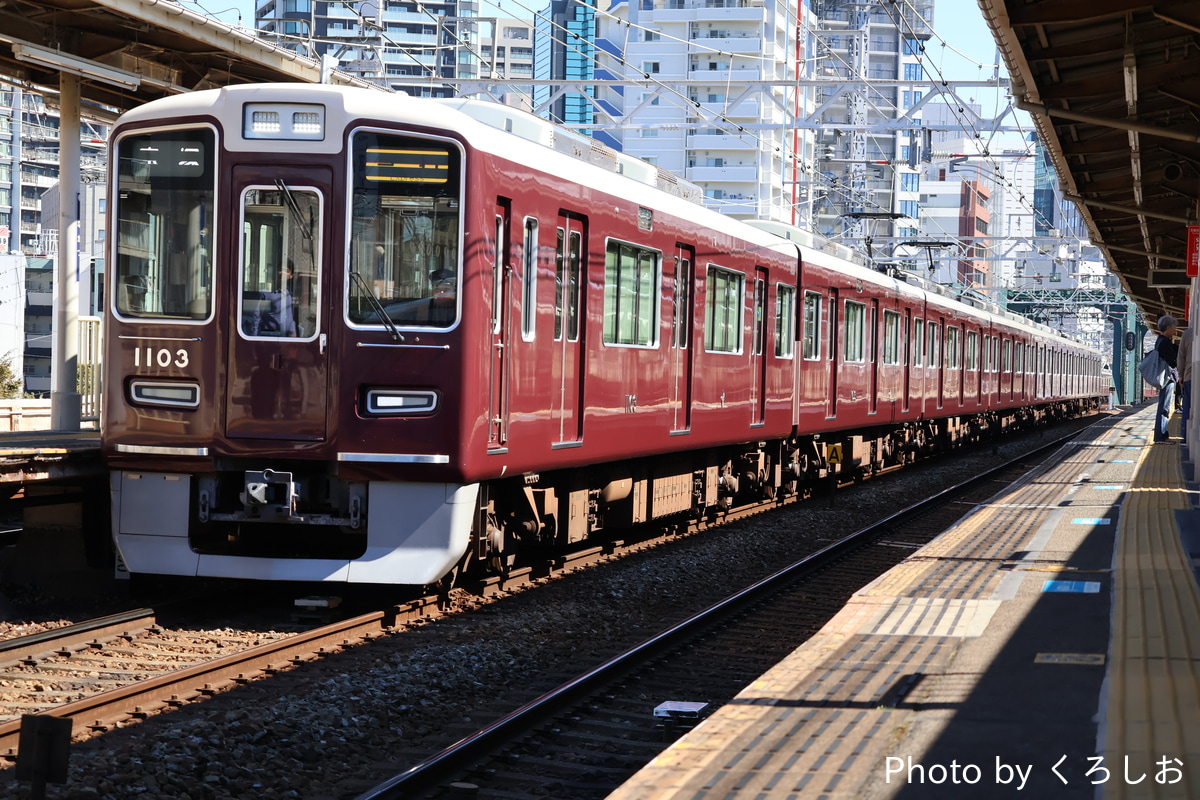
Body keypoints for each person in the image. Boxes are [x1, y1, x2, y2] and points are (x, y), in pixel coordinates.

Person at [1154, 315, 1180, 442]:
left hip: (1166, 377)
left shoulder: (1161, 341)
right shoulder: (1164, 342)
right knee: (1164, 407)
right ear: (1168, 327)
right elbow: (1173, 360)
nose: (1175, 330)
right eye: (1174, 327)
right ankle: (1161, 436)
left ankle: (1161, 435)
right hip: (1167, 377)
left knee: (1164, 406)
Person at [1180, 325, 1194, 442]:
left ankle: (1185, 435)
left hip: (1189, 374)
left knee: (1187, 405)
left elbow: (1181, 356)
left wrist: (1181, 375)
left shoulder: (1187, 333)